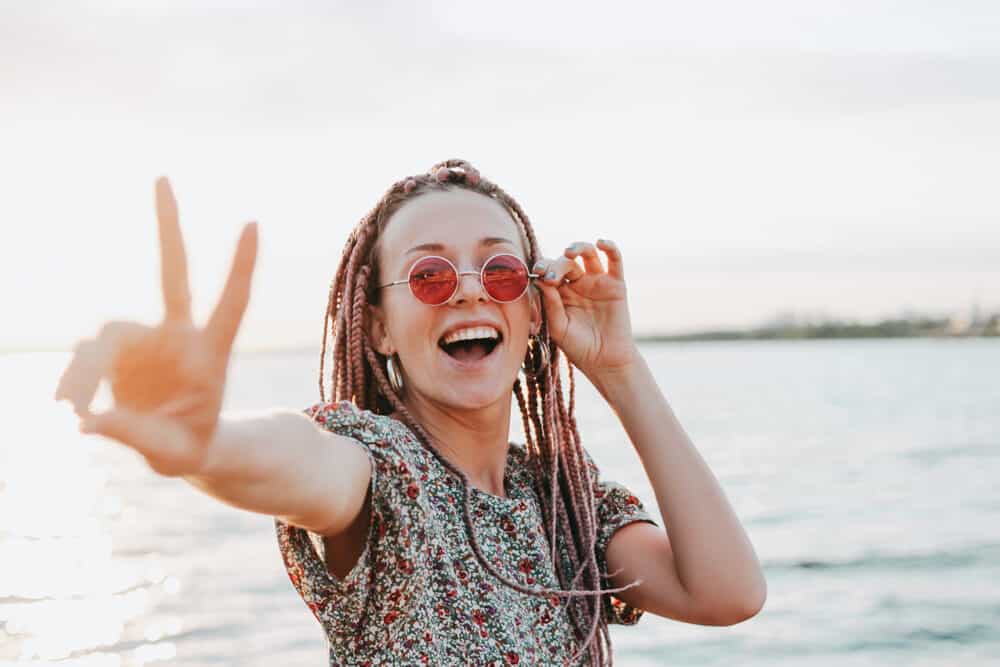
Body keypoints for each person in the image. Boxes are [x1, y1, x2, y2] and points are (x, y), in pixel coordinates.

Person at [54, 158, 766, 666]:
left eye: (500, 270)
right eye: (428, 274)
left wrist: (620, 369)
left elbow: (728, 591)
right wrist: (207, 446)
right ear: (379, 329)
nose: (467, 292)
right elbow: (301, 460)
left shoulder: (565, 503)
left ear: (532, 310)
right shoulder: (381, 469)